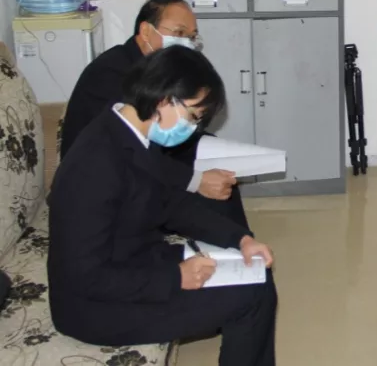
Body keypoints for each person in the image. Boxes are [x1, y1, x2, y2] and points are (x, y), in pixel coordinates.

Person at [48, 46, 277, 366]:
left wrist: (240, 240)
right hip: (96, 306)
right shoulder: (95, 164)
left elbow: (171, 204)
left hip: (134, 264)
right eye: (193, 116)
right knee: (250, 297)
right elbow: (85, 276)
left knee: (257, 278)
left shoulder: (133, 135)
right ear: (165, 99)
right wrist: (175, 278)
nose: (193, 127)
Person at [60, 0, 247, 226]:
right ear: (146, 31)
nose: (187, 43)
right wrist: (194, 180)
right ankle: (231, 245)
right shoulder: (111, 73)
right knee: (210, 190)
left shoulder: (156, 71)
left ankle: (241, 243)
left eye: (191, 37)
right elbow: (129, 149)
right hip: (102, 183)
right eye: (179, 33)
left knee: (218, 170)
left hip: (139, 161)